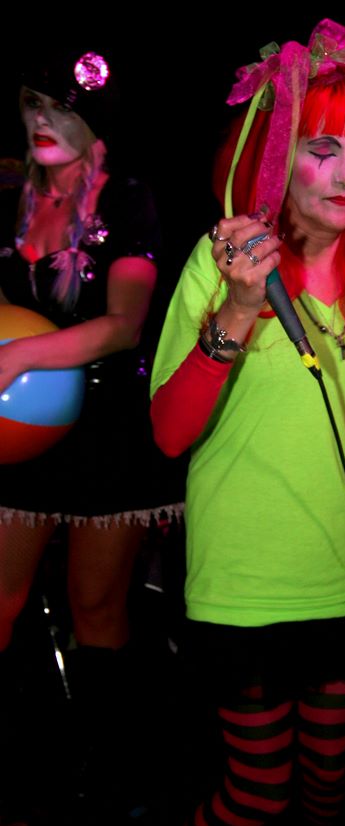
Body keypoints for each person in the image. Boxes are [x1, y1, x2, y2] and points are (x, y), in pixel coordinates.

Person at [149, 19, 345, 826]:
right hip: (243, 589)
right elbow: (169, 433)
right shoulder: (220, 263)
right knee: (258, 790)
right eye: (321, 150)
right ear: (278, 156)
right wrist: (236, 309)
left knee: (326, 789)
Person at [0, 51, 184, 785]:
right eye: (33, 103)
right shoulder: (9, 198)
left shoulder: (127, 201)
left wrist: (20, 356)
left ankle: (108, 778)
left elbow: (123, 326)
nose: (42, 120)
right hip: (20, 432)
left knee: (96, 609)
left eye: (61, 108)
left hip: (108, 435)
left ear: (95, 122)